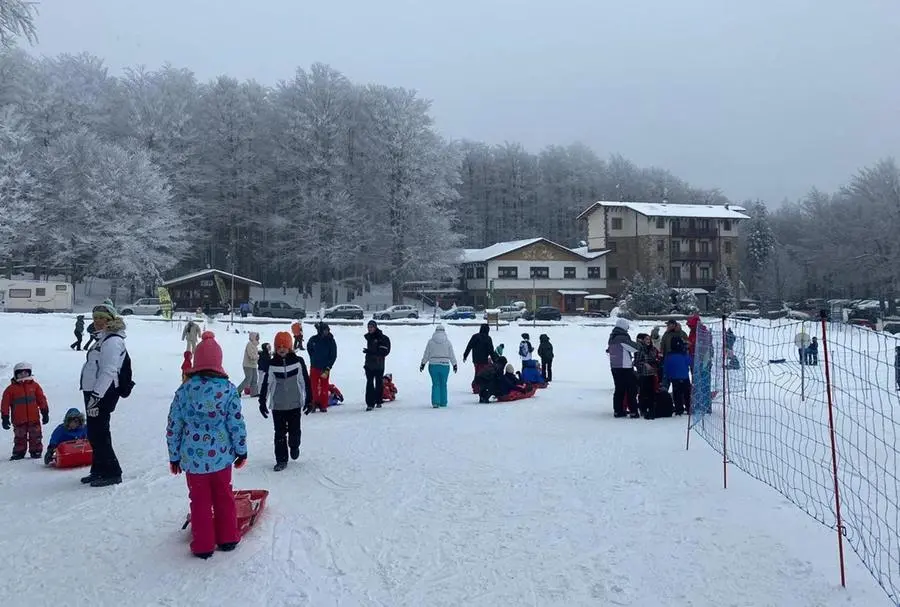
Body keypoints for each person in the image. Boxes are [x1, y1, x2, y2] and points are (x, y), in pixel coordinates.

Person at [166, 331, 248, 559]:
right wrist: (241, 450)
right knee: (224, 495)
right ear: (218, 362)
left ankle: (203, 544)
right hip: (221, 456)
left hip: (193, 459)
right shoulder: (228, 390)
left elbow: (174, 425)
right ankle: (228, 537)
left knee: (200, 501)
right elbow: (235, 424)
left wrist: (174, 456)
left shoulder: (185, 391)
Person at [80, 301, 128, 487]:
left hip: (102, 393)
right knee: (94, 433)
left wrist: (96, 397)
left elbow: (108, 371)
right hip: (93, 391)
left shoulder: (113, 341)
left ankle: (113, 471)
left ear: (111, 319)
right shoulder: (102, 338)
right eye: (95, 317)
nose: (98, 321)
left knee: (99, 433)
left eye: (102, 318)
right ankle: (98, 469)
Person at [259, 331, 311, 471]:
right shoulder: (272, 364)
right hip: (278, 405)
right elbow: (266, 384)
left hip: (294, 404)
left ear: (289, 347)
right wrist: (262, 401)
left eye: (284, 346)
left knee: (294, 431)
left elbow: (305, 381)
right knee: (279, 433)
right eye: (279, 346)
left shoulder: (298, 362)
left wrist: (309, 399)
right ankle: (281, 460)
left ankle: (294, 446)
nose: (281, 349)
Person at [1, 362, 49, 460]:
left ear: (29, 373)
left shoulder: (35, 386)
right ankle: (19, 452)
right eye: (20, 373)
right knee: (20, 437)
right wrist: (5, 417)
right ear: (16, 374)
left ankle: (36, 450)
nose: (23, 375)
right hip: (19, 419)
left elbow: (41, 399)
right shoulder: (10, 389)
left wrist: (45, 412)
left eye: (25, 373)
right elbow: (5, 404)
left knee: (36, 436)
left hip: (34, 418)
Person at [420, 325, 458, 408]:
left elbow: (426, 354)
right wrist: (454, 364)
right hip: (445, 365)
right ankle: (443, 402)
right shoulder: (448, 342)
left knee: (435, 384)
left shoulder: (430, 342)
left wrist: (423, 363)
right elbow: (452, 355)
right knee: (443, 384)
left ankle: (435, 402)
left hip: (433, 365)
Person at [607, 318, 639, 418]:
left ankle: (618, 410)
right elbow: (634, 348)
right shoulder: (622, 337)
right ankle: (633, 411)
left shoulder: (612, 337)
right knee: (630, 389)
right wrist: (640, 345)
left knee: (619, 389)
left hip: (614, 366)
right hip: (625, 366)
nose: (628, 329)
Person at [306, 323, 337, 412]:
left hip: (325, 368)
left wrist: (328, 366)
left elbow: (333, 355)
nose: (326, 332)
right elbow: (309, 348)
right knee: (313, 386)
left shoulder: (331, 341)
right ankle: (314, 403)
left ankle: (323, 405)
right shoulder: (313, 339)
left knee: (324, 386)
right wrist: (313, 358)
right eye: (325, 330)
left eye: (327, 330)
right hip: (314, 367)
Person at [363, 320, 391, 411]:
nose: (369, 329)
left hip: (379, 365)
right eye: (368, 327)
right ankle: (370, 403)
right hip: (369, 364)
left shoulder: (382, 338)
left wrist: (370, 352)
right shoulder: (369, 337)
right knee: (369, 383)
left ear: (375, 327)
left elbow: (383, 352)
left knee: (378, 383)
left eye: (371, 327)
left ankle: (378, 400)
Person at [634, 333, 660, 419]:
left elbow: (656, 358)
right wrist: (645, 364)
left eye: (649, 339)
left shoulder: (653, 349)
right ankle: (643, 409)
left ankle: (651, 408)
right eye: (646, 339)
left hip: (652, 373)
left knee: (652, 392)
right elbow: (637, 362)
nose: (648, 341)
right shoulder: (640, 349)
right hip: (643, 374)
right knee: (643, 392)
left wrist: (656, 361)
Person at [463, 324, 495, 394]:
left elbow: (469, 346)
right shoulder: (488, 338)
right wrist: (495, 360)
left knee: (477, 372)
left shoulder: (475, 336)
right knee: (481, 374)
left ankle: (477, 387)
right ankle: (477, 387)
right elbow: (491, 351)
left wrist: (465, 355)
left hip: (476, 359)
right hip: (484, 360)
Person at [664, 337, 692, 415]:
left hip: (674, 377)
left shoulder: (669, 355)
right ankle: (689, 407)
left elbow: (666, 367)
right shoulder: (684, 354)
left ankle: (679, 409)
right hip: (684, 376)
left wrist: (668, 375)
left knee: (677, 394)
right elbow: (690, 362)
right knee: (687, 393)